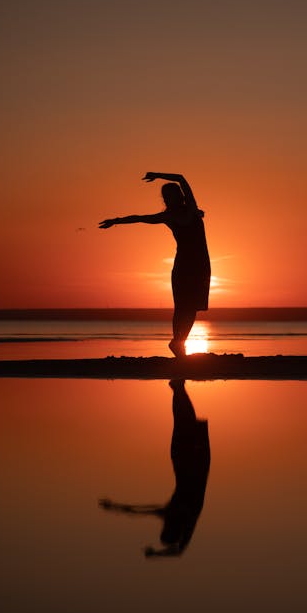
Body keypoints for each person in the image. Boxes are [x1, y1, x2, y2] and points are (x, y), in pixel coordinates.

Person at [99, 172, 211, 357]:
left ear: (179, 196)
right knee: (182, 306)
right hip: (184, 264)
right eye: (166, 197)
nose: (169, 200)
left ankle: (179, 343)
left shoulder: (192, 208)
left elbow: (181, 178)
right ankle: (178, 342)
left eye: (172, 196)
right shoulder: (168, 216)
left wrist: (157, 175)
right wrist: (116, 221)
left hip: (200, 264)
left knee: (192, 307)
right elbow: (140, 218)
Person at [99, 379, 210, 558]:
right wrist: (158, 555)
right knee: (186, 424)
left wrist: (115, 507)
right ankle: (179, 386)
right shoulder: (188, 517)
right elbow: (179, 550)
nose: (164, 525)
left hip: (184, 463)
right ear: (173, 530)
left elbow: (137, 511)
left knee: (182, 424)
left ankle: (179, 387)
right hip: (196, 463)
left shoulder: (170, 515)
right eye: (167, 529)